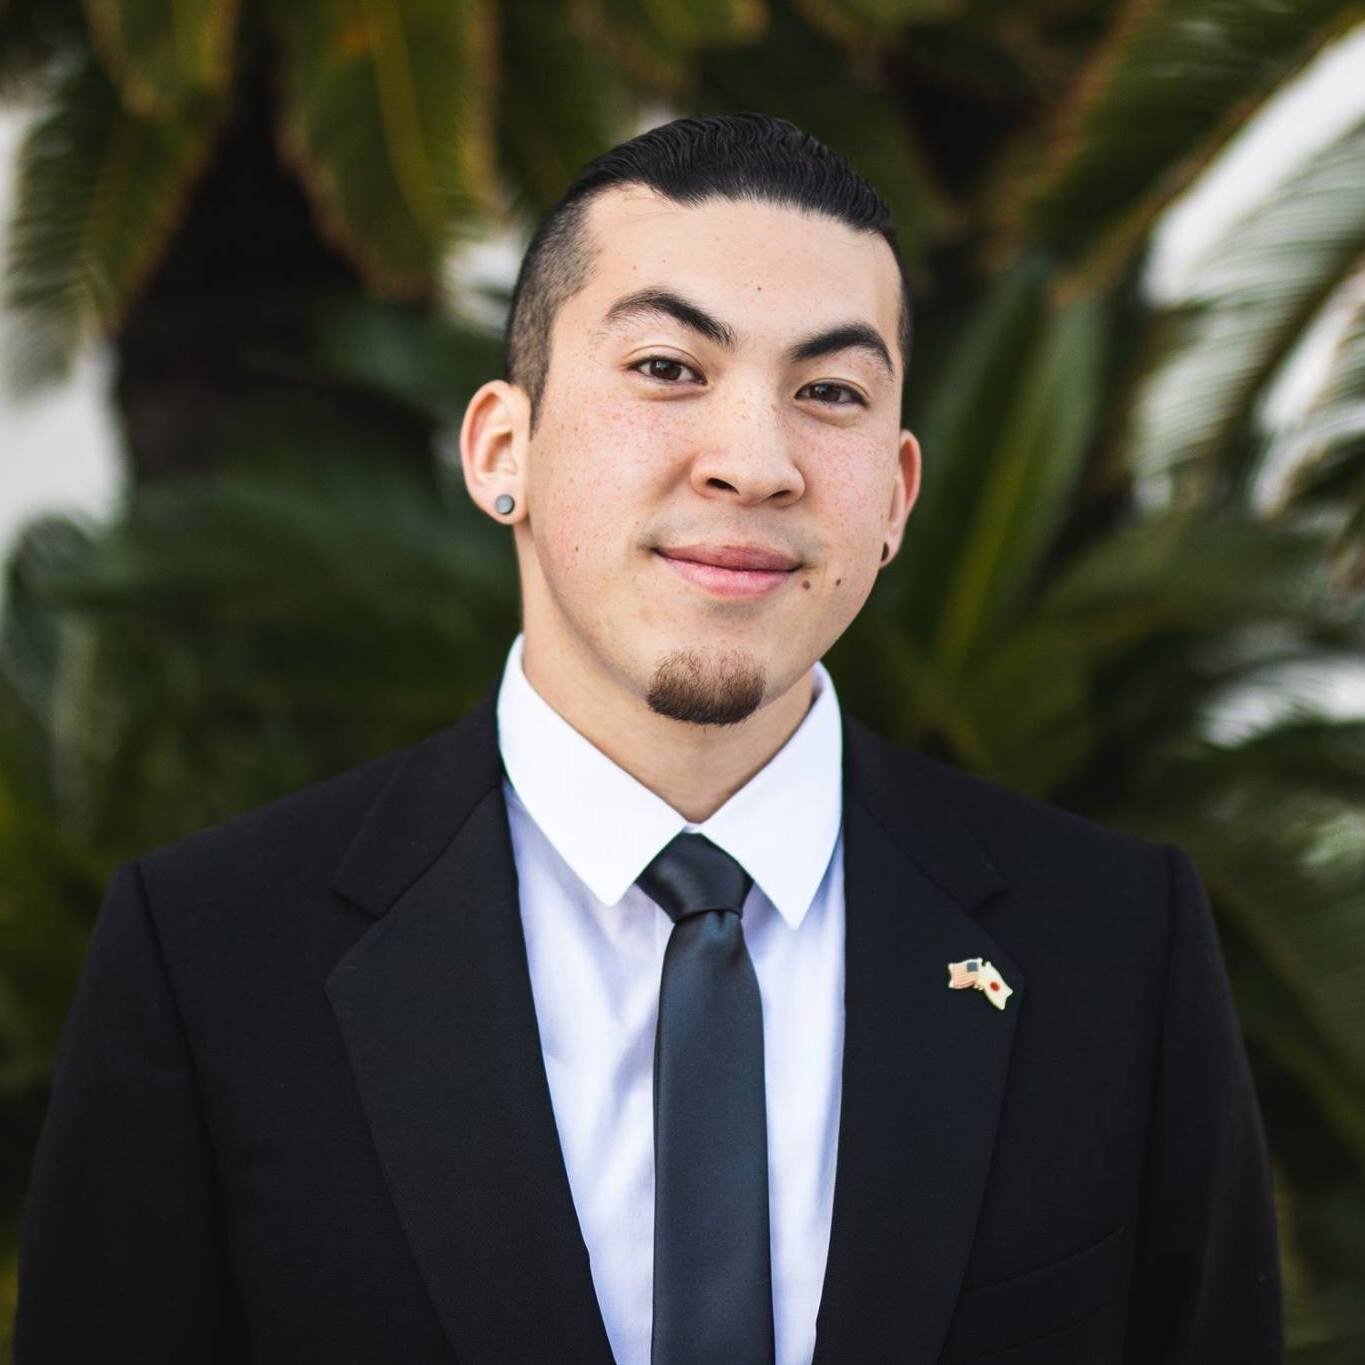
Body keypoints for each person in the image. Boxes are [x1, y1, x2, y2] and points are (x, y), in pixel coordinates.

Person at [14, 113, 1282, 1365]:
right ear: (502, 448)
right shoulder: (212, 957)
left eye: (829, 392)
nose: (756, 462)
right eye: (669, 368)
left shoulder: (1117, 945)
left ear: (896, 496)